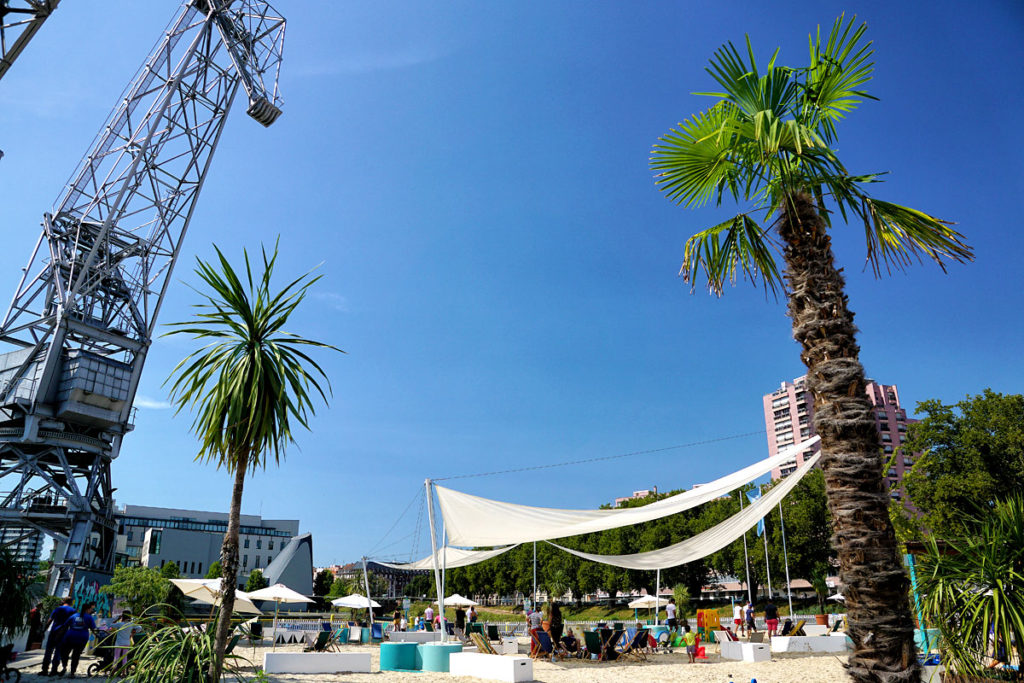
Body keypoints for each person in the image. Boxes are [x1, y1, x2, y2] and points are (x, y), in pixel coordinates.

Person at [59, 601, 99, 678]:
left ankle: (64, 667)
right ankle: (72, 673)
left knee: (65, 653)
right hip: (82, 638)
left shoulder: (73, 616)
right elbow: (93, 628)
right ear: (87, 609)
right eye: (90, 609)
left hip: (70, 637)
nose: (91, 611)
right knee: (76, 656)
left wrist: (60, 635)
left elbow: (65, 626)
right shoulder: (89, 617)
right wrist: (97, 635)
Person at [41, 597, 76, 676]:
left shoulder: (57, 609)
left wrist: (43, 630)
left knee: (48, 651)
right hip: (63, 634)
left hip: (53, 632)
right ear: (71, 602)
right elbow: (73, 624)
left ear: (63, 601)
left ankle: (44, 670)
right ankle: (54, 670)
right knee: (58, 652)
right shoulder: (73, 611)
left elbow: (50, 620)